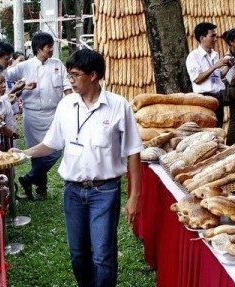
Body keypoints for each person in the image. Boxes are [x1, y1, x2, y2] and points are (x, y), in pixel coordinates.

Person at [12, 49, 142, 287]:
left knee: (103, 255)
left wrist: (134, 197)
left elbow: (133, 151)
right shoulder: (66, 105)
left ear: (93, 75)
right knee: (78, 254)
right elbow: (51, 143)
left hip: (104, 191)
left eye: (75, 75)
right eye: (69, 75)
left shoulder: (118, 106)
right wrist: (23, 153)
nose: (70, 80)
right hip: (72, 191)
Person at [5, 32, 72, 200]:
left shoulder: (57, 64)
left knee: (55, 149)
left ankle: (28, 179)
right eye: (48, 47)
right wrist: (21, 87)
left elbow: (67, 87)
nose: (51, 50)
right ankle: (41, 189)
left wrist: (72, 106)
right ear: (38, 48)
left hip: (54, 114)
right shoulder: (24, 66)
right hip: (33, 116)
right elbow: (3, 76)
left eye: (52, 46)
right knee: (37, 153)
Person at [186, 22, 232, 128]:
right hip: (204, 99)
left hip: (218, 98)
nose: (215, 39)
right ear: (202, 38)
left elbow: (218, 76)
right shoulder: (193, 57)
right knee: (207, 129)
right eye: (212, 36)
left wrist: (228, 67)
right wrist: (214, 66)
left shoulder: (214, 55)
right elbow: (197, 79)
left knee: (218, 128)